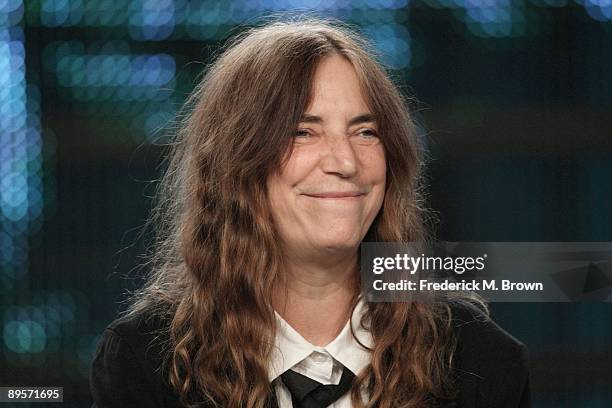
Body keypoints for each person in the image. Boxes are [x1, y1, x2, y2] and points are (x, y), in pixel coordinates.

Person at [90, 18, 530, 408]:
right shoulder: (143, 365)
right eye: (304, 132)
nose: (345, 161)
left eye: (366, 131)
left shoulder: (479, 361)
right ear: (235, 162)